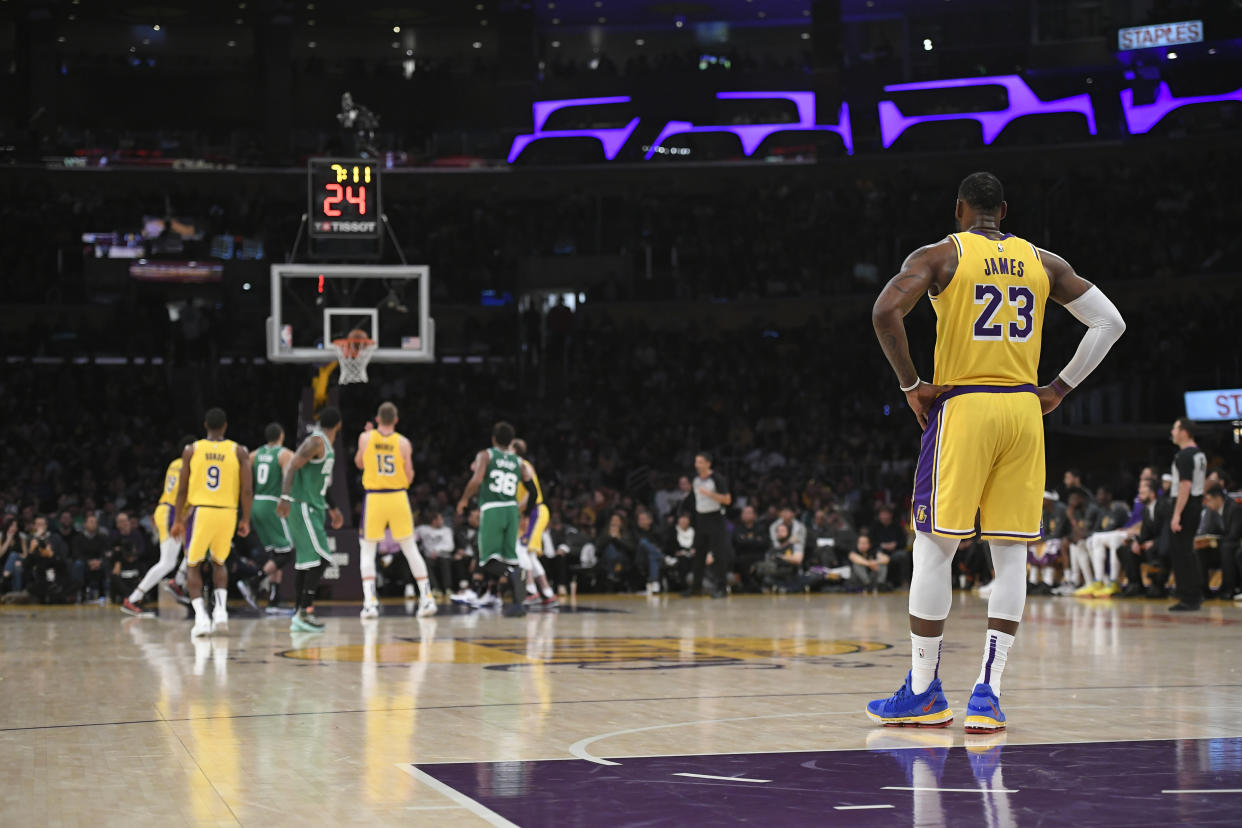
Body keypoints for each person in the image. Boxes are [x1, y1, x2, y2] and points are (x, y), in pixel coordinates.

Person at [868, 171, 1124, 732]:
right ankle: (988, 694)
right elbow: (1111, 323)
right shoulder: (1045, 262)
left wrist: (912, 385)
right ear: (1002, 211)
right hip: (1023, 412)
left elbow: (885, 312)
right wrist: (1059, 388)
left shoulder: (940, 255)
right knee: (1011, 555)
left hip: (966, 406)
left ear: (960, 209)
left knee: (935, 547)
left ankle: (923, 692)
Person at [172, 409, 253, 638]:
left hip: (202, 512)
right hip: (227, 512)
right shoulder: (239, 450)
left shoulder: (191, 450)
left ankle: (201, 619)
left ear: (205, 424)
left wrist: (178, 519)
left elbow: (182, 490)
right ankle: (220, 612)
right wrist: (245, 519)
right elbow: (247, 489)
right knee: (219, 562)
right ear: (225, 426)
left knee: (192, 564)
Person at [354, 402, 435, 619]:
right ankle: (427, 599)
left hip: (375, 498)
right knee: (410, 548)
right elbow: (409, 476)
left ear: (378, 419)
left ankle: (370, 603)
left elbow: (359, 463)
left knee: (368, 550)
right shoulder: (404, 443)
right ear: (396, 420)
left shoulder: (366, 438)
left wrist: (367, 436)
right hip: (398, 496)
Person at [277, 406, 345, 632]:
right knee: (321, 558)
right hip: (302, 506)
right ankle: (305, 612)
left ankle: (299, 614)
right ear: (339, 425)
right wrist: (285, 497)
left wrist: (333, 509)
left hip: (314, 507)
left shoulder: (327, 447)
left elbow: (322, 485)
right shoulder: (316, 442)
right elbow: (291, 466)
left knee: (307, 563)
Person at [456, 421, 529, 617]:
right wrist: (524, 509)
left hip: (493, 508)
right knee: (510, 559)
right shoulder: (520, 462)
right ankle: (517, 605)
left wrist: (464, 499)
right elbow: (532, 489)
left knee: (487, 559)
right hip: (512, 510)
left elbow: (477, 480)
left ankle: (514, 575)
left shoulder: (486, 455)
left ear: (494, 439)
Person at [122, 436, 195, 616]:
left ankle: (177, 583)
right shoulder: (190, 467)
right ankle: (133, 599)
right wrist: (181, 518)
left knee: (194, 548)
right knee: (168, 562)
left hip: (165, 509)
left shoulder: (175, 463)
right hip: (172, 511)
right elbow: (184, 494)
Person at [247, 423, 295, 613]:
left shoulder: (254, 454)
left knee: (277, 552)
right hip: (272, 503)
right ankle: (255, 580)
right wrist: (286, 499)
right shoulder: (284, 454)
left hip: (256, 503)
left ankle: (274, 599)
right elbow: (288, 478)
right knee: (287, 552)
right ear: (281, 436)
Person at [680, 452, 734, 598]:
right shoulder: (696, 479)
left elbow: (728, 500)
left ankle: (721, 589)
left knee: (718, 554)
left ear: (708, 464)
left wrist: (710, 494)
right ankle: (696, 588)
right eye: (696, 462)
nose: (697, 465)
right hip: (701, 518)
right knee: (699, 554)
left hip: (715, 518)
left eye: (700, 462)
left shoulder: (717, 479)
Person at [1167, 418, 1208, 611]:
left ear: (1184, 432)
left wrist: (1176, 515)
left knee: (1181, 552)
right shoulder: (1199, 453)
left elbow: (1185, 485)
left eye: (1175, 428)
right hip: (1195, 503)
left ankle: (1188, 597)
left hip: (1185, 504)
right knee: (1188, 552)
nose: (1172, 432)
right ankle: (1195, 594)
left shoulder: (1184, 455)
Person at [511, 438, 557, 610]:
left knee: (520, 549)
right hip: (529, 511)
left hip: (534, 510)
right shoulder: (516, 466)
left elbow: (532, 493)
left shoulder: (523, 465)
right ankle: (547, 593)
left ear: (515, 449)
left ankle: (531, 591)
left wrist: (520, 510)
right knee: (529, 554)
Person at [1203, 485, 1242, 600]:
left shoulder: (1234, 509)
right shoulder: (1212, 512)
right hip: (1222, 544)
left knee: (1227, 548)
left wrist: (1217, 541)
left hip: (1234, 544)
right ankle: (1203, 588)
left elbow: (1234, 534)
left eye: (1209, 500)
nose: (1207, 503)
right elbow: (1208, 530)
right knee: (1201, 550)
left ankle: (1229, 588)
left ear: (1218, 498)